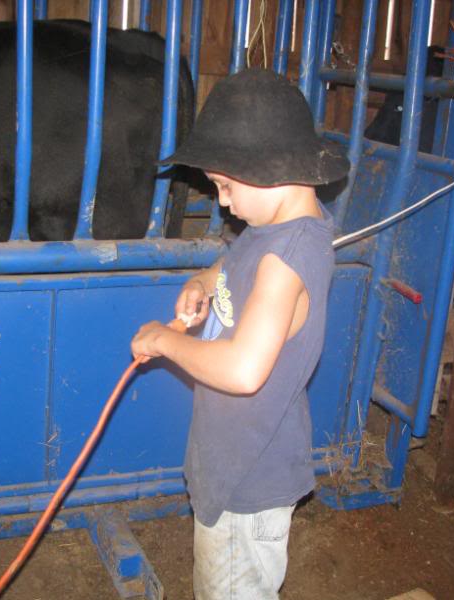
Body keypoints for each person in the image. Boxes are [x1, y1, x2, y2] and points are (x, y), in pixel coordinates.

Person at [131, 68, 349, 600]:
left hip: (249, 478)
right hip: (232, 456)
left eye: (225, 186)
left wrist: (163, 340)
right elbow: (233, 263)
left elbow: (244, 371)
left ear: (267, 169)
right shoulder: (269, 228)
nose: (222, 202)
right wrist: (204, 281)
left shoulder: (286, 259)